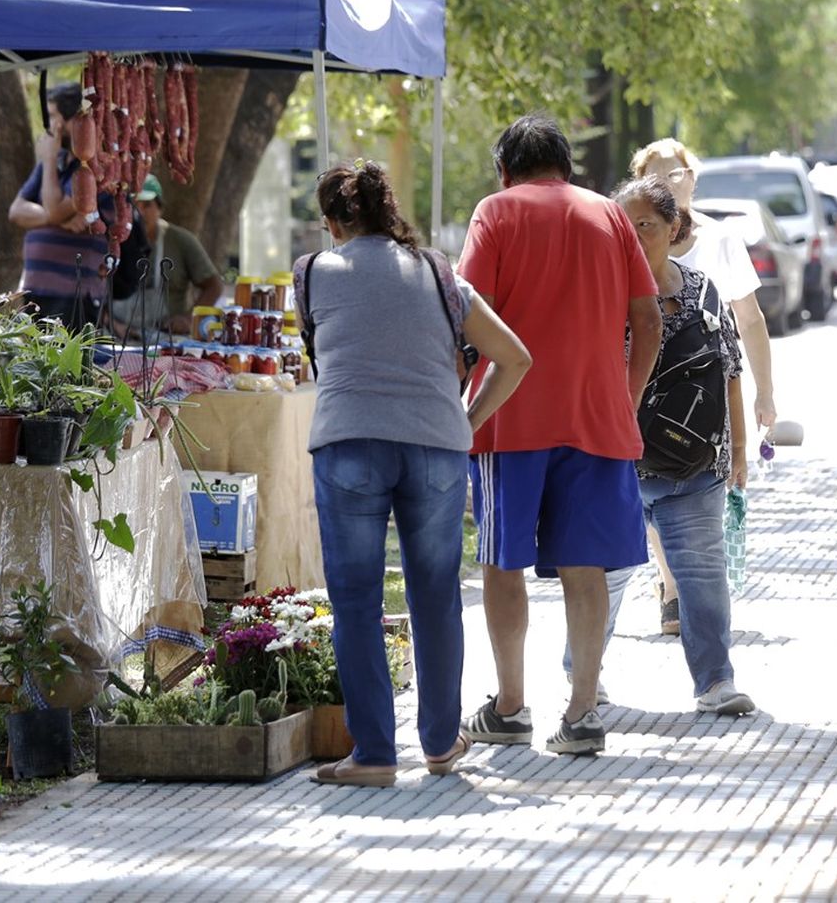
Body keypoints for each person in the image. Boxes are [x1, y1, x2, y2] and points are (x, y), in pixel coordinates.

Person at [295, 160, 531, 786]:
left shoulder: (313, 273)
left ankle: (373, 754)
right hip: (435, 447)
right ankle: (438, 744)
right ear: (387, 210)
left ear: (332, 223)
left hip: (348, 443)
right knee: (435, 598)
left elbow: (318, 351)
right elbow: (515, 357)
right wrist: (467, 422)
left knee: (355, 603)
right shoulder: (439, 273)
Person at [458, 115, 662, 757]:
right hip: (596, 418)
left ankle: (512, 706)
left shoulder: (495, 212)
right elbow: (648, 319)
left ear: (505, 170)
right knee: (586, 565)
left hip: (506, 417)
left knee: (501, 560)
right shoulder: (610, 216)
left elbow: (464, 313)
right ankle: (582, 713)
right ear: (566, 167)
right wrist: (623, 399)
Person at [561, 176, 755, 716]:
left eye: (644, 224)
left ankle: (716, 683)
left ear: (674, 228)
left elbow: (729, 370)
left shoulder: (702, 290)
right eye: (621, 224)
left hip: (692, 467)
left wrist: (739, 450)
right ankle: (583, 676)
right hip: (613, 466)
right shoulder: (596, 294)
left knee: (700, 574)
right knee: (604, 572)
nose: (631, 234)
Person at [628, 138, 778, 635]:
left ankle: (682, 594)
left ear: (693, 179)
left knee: (693, 486)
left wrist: (765, 393)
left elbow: (749, 321)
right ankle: (671, 585)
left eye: (678, 174)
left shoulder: (721, 241)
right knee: (649, 488)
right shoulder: (628, 242)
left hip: (703, 396)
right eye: (657, 175)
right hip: (640, 390)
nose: (671, 183)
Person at [7, 82, 109, 330]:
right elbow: (16, 211)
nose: (51, 125)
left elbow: (53, 208)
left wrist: (49, 157)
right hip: (37, 294)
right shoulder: (56, 163)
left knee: (67, 366)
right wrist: (57, 219)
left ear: (75, 118)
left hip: (73, 296)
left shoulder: (94, 167)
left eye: (53, 116)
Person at [109, 174, 223, 339]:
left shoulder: (181, 241)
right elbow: (93, 287)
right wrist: (109, 320)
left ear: (160, 208)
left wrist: (188, 318)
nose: (139, 212)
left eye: (147, 205)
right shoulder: (112, 239)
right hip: (117, 337)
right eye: (133, 205)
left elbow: (214, 286)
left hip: (165, 338)